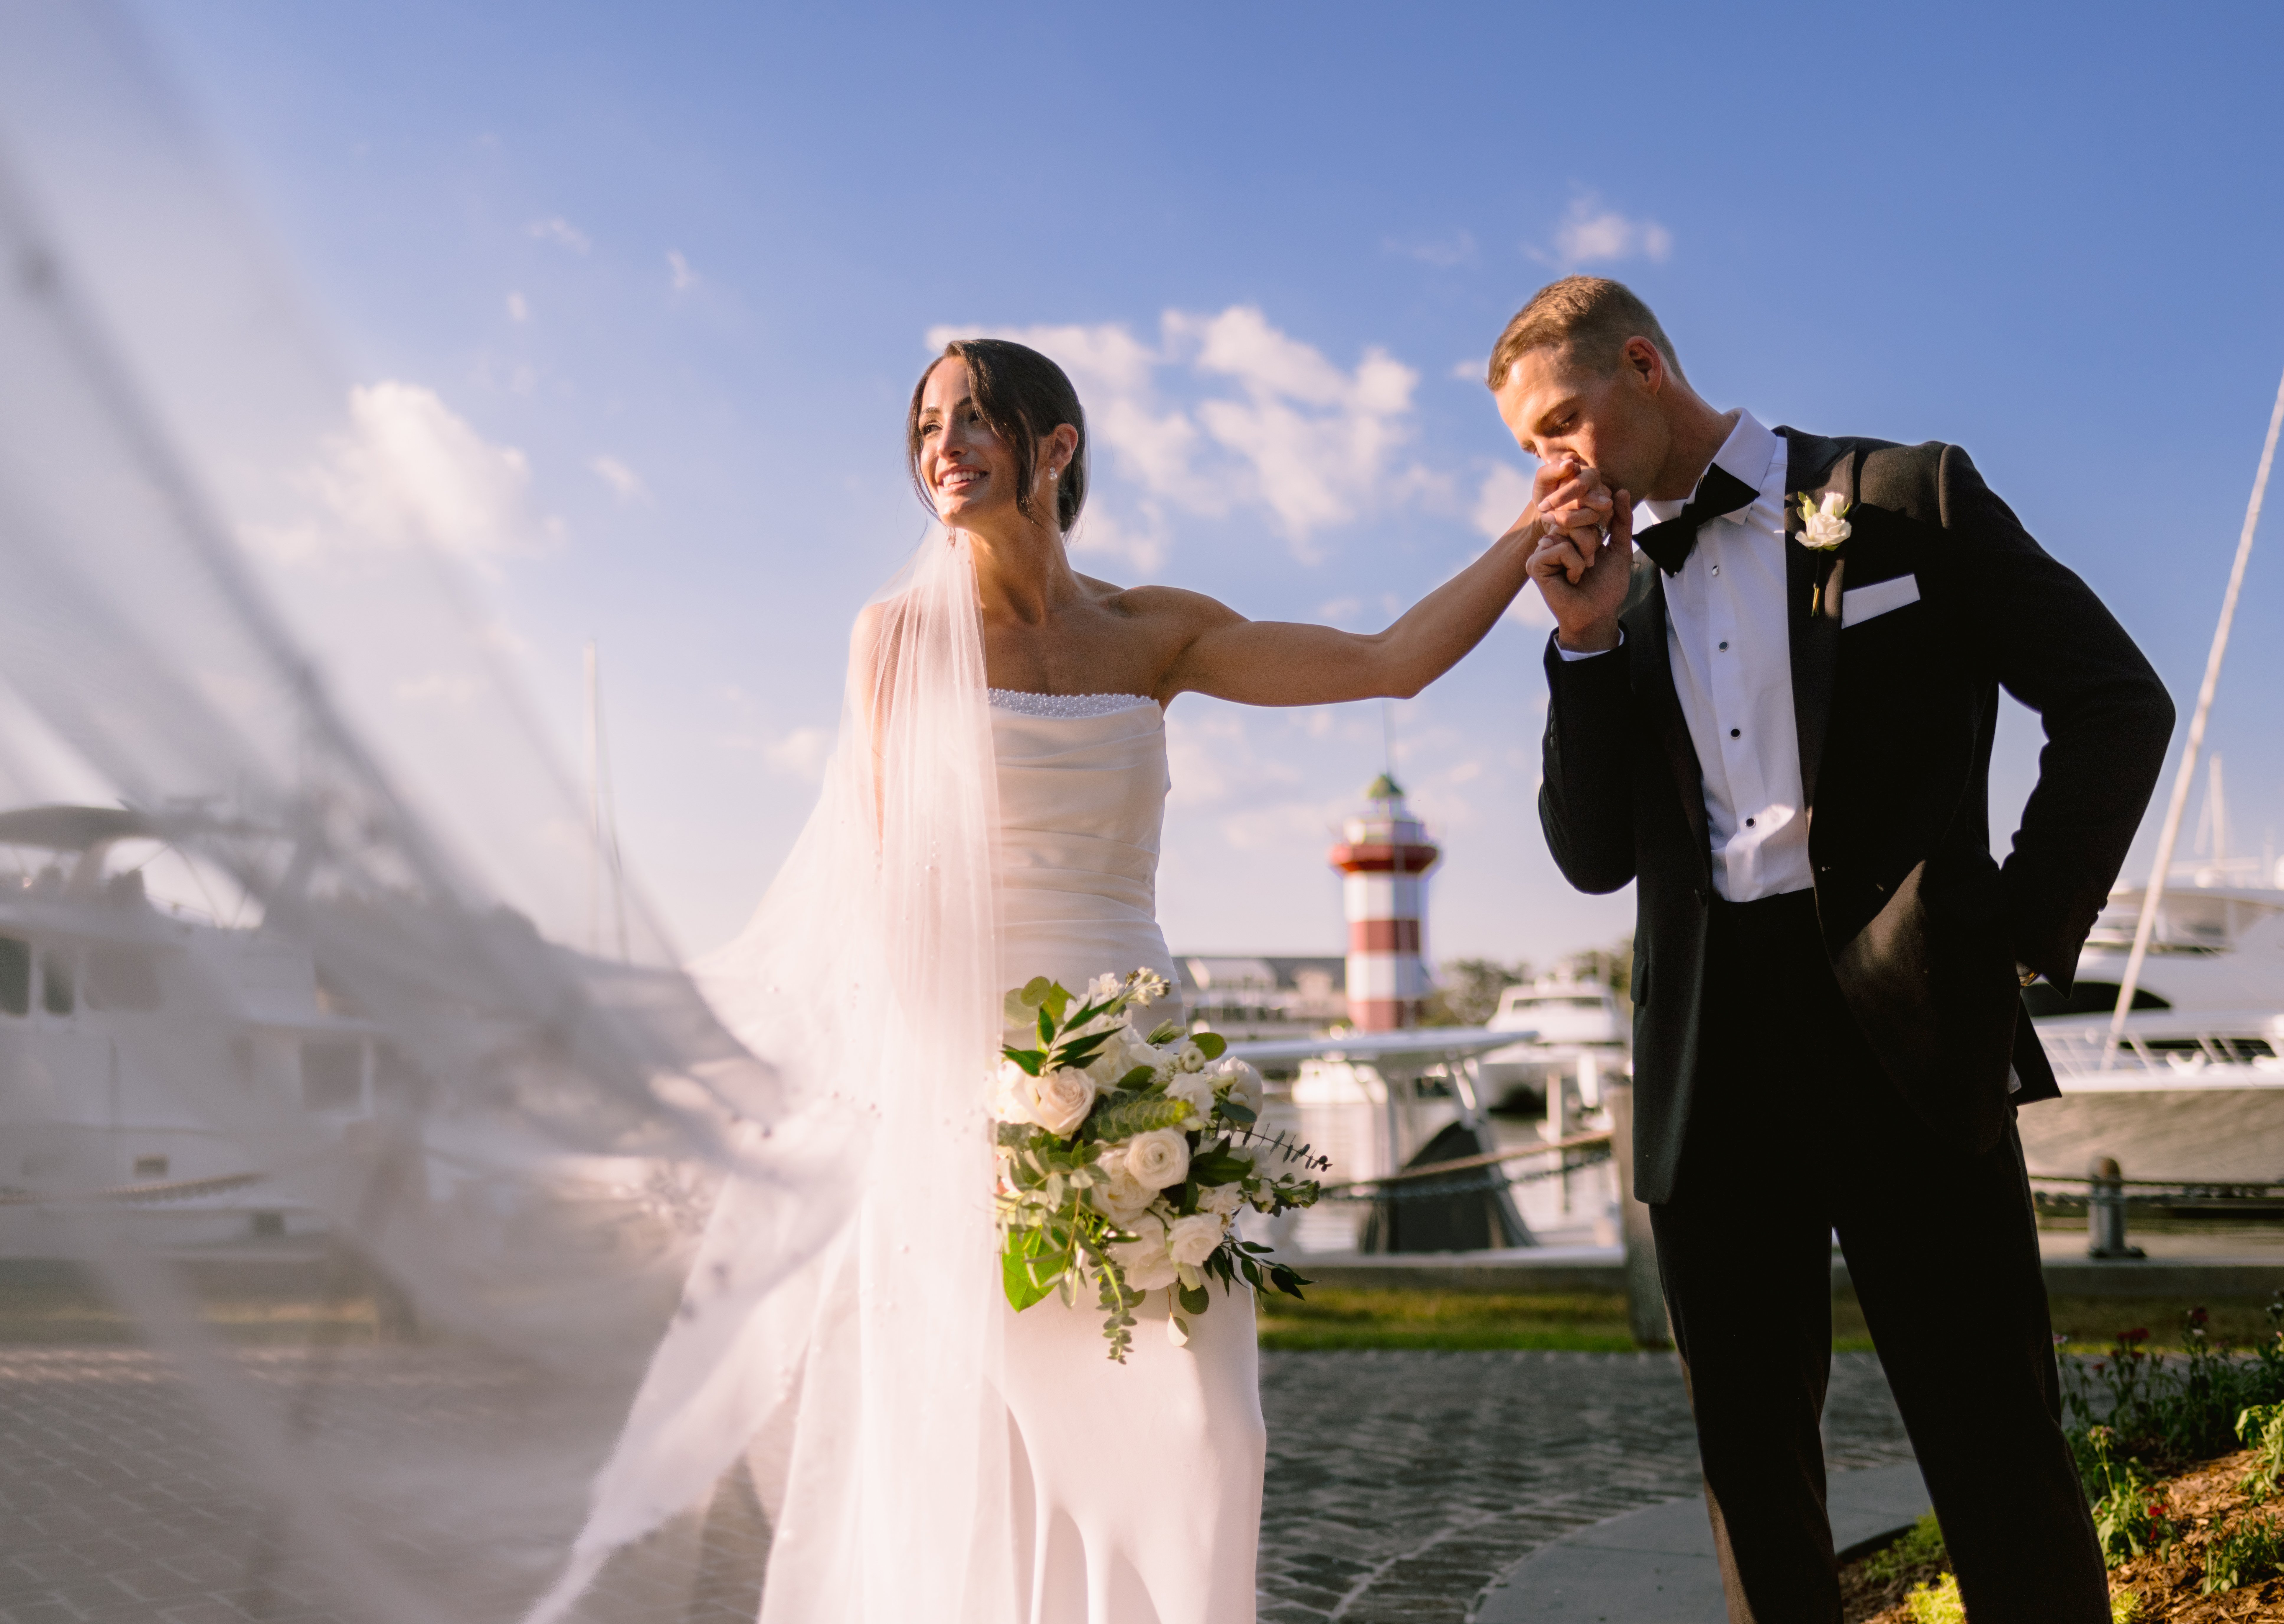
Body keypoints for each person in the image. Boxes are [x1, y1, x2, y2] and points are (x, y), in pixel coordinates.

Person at [534, 337, 1556, 1624]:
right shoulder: (896, 636)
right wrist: (951, 1112)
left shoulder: (1157, 631)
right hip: (975, 1088)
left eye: (969, 421)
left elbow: (1388, 658)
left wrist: (1532, 534)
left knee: (1202, 1427)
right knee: (1007, 1450)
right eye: (923, 429)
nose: (940, 448)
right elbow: (886, 884)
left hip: (1156, 1069)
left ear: (1053, 446)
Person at [1494, 276, 2174, 1623]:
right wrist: (1577, 645)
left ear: (1645, 366)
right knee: (1752, 1472)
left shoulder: (1907, 496)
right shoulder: (1615, 592)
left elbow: (2114, 700)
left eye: (1562, 421)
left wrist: (2013, 931)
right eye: (1527, 446)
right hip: (1710, 1053)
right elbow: (1592, 853)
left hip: (1906, 1018)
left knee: (1995, 1441)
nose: (1550, 466)